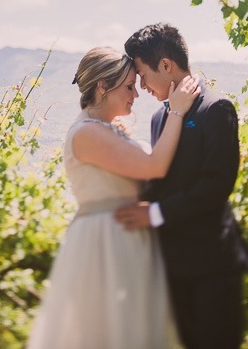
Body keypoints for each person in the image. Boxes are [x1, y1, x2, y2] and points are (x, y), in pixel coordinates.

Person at [28, 46, 200, 349]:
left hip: (128, 237)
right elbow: (155, 165)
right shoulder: (85, 133)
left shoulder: (110, 130)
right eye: (130, 87)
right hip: (104, 242)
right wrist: (177, 109)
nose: (136, 94)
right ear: (102, 87)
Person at [116, 23, 248, 349]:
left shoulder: (216, 108)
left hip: (212, 265)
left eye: (142, 74)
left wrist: (154, 214)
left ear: (165, 65)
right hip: (170, 266)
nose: (141, 85)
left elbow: (217, 185)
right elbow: (160, 179)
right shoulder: (157, 119)